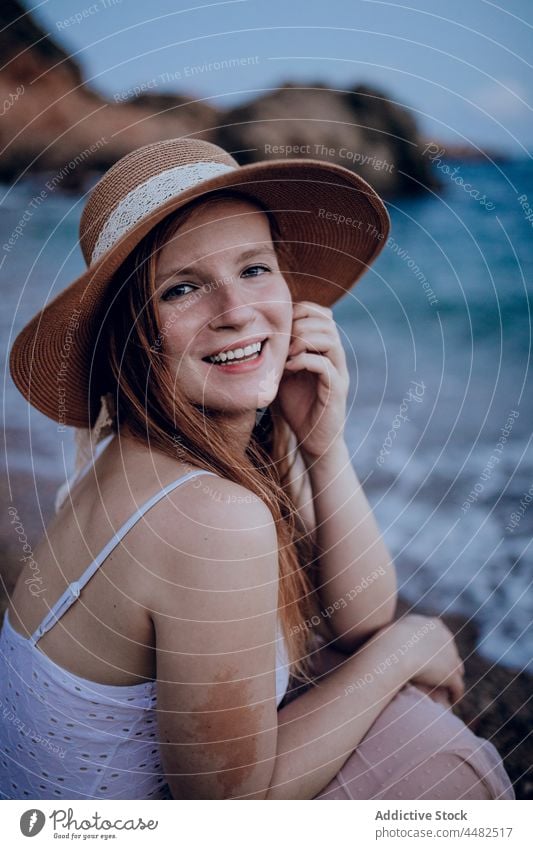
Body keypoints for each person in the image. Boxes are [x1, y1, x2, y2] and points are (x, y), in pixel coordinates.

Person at [1, 138, 514, 800]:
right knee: (440, 758)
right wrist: (408, 646)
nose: (238, 312)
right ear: (132, 331)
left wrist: (322, 446)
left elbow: (357, 615)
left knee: (406, 719)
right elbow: (231, 810)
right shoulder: (207, 517)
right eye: (182, 287)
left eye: (254, 269)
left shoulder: (146, 449)